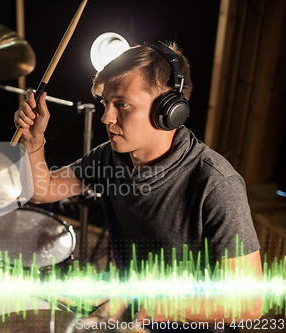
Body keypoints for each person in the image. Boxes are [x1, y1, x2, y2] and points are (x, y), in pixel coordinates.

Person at [14, 42, 262, 332]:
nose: (106, 117)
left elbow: (249, 304)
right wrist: (33, 141)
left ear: (170, 110)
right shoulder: (110, 157)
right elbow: (43, 190)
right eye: (106, 103)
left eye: (122, 104)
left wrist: (150, 305)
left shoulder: (216, 183)